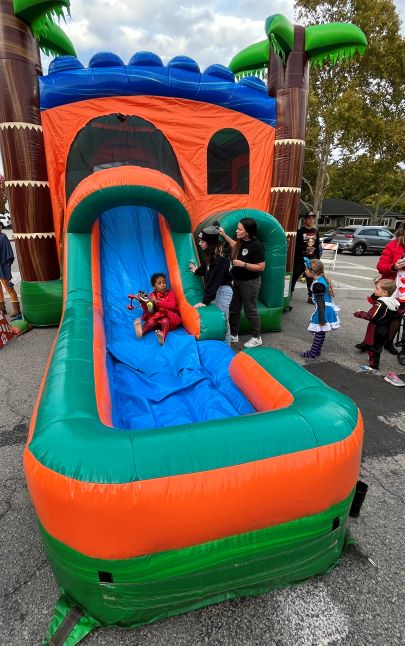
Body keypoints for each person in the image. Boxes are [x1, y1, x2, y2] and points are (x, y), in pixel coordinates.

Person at [218, 217, 265, 348]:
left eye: (239, 229)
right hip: (237, 280)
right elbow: (235, 245)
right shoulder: (240, 240)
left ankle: (257, 337)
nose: (236, 231)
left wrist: (243, 264)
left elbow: (261, 267)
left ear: (247, 232)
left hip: (250, 282)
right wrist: (224, 235)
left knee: (250, 309)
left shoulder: (257, 246)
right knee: (234, 308)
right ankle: (234, 334)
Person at [189, 225, 233, 345]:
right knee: (217, 320)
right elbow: (207, 266)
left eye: (202, 241)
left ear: (209, 242)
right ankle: (219, 346)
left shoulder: (220, 258)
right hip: (216, 290)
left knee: (223, 321)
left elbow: (215, 279)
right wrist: (197, 271)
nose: (199, 243)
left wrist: (205, 301)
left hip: (222, 290)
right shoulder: (211, 252)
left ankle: (226, 348)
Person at [353, 279, 399, 372]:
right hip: (384, 328)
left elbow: (371, 316)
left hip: (376, 329)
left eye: (377, 289)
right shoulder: (392, 302)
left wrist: (359, 313)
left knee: (373, 347)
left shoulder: (381, 304)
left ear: (385, 292)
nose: (374, 290)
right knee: (377, 346)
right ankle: (373, 360)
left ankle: (373, 366)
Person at [300, 258, 340, 358]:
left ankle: (312, 353)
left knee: (318, 332)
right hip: (326, 308)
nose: (305, 271)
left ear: (312, 272)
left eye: (306, 269)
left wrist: (321, 318)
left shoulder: (318, 284)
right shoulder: (320, 279)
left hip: (323, 310)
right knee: (321, 332)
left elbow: (321, 302)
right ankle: (316, 351)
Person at [375, 223, 405, 354]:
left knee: (398, 316)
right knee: (383, 315)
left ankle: (389, 342)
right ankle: (372, 341)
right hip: (392, 287)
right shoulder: (393, 245)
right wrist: (394, 267)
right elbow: (381, 266)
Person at [134, 273, 181, 344]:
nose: (163, 285)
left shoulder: (170, 293)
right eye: (159, 283)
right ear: (154, 287)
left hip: (170, 319)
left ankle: (162, 338)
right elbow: (149, 310)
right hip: (158, 319)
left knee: (165, 321)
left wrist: (157, 301)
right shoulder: (152, 295)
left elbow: (173, 305)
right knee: (151, 321)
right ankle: (141, 332)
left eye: (164, 282)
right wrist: (142, 301)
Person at [291, 211, 321, 303]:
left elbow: (317, 246)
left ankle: (310, 297)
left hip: (311, 259)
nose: (311, 220)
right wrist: (305, 248)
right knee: (295, 276)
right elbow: (295, 245)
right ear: (305, 220)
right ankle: (290, 293)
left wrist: (318, 259)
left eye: (313, 219)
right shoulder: (299, 232)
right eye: (309, 218)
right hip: (300, 259)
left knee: (310, 279)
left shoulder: (316, 232)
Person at [0, 222, 22, 320]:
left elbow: (9, 254)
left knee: (9, 287)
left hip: (3, 266)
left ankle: (16, 309)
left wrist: (7, 265)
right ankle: (2, 309)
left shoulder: (3, 237)